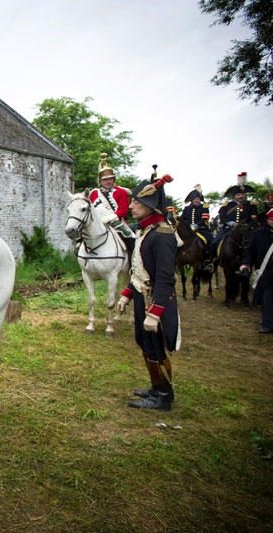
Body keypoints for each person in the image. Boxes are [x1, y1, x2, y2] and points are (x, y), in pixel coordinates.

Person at [117, 174, 180, 411]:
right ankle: (156, 387)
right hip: (143, 297)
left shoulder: (162, 235)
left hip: (157, 302)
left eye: (136, 202)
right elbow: (140, 271)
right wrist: (127, 293)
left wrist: (155, 313)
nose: (131, 206)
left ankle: (164, 396)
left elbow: (165, 279)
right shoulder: (145, 231)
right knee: (144, 343)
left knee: (156, 346)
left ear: (151, 206)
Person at [89, 153, 134, 252]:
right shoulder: (93, 194)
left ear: (113, 179)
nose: (108, 182)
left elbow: (123, 210)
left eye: (110, 179)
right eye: (105, 179)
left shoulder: (121, 192)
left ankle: (133, 264)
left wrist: (110, 217)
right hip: (98, 223)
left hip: (117, 223)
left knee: (131, 239)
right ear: (100, 181)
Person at [239, 208, 273, 334]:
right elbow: (250, 251)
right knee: (267, 298)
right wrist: (245, 263)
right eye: (272, 219)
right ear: (267, 220)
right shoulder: (258, 234)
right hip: (266, 272)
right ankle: (267, 324)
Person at [212, 171, 258, 257]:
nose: (241, 196)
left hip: (246, 230)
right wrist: (232, 223)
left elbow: (254, 219)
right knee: (214, 243)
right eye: (238, 194)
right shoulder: (227, 205)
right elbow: (222, 218)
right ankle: (213, 262)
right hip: (229, 229)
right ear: (234, 196)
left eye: (242, 194)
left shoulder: (251, 205)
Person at [181, 184, 213, 270]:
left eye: (198, 199)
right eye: (195, 199)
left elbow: (204, 218)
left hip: (201, 230)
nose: (197, 200)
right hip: (188, 231)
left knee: (211, 241)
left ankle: (208, 260)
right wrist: (188, 226)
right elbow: (182, 219)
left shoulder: (204, 207)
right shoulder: (186, 209)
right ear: (192, 199)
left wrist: (197, 225)